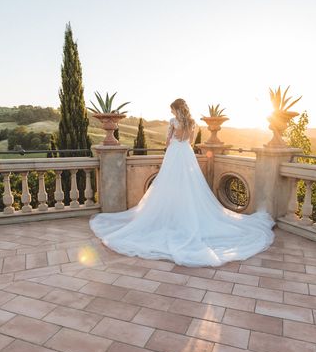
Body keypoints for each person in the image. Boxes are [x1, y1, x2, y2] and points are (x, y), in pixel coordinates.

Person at [89, 98, 275, 267]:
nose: (171, 113)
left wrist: (172, 139)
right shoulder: (192, 122)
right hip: (186, 154)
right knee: (190, 186)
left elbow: (168, 142)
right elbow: (191, 142)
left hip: (174, 154)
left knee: (168, 185)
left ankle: (171, 216)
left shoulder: (172, 122)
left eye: (172, 110)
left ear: (176, 109)